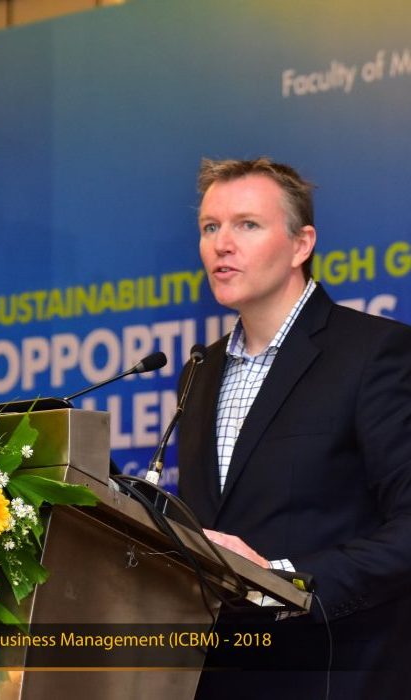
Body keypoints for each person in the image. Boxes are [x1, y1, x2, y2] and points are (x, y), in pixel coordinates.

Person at [177, 157, 411, 699]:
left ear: (301, 244)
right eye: (210, 227)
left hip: (332, 673)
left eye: (247, 224)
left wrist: (283, 579)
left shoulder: (374, 354)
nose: (221, 244)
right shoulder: (199, 371)